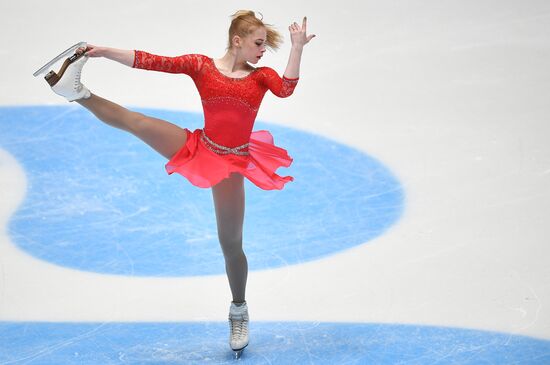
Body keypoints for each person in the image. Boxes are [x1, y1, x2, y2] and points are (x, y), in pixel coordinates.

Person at [38, 10, 315, 357]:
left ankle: (238, 309)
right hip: (201, 146)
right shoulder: (202, 67)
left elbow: (286, 89)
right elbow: (153, 62)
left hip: (231, 163)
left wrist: (297, 48)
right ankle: (76, 92)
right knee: (136, 122)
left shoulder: (261, 79)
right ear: (237, 41)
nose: (262, 51)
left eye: (265, 45)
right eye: (258, 43)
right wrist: (103, 51)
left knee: (231, 244)